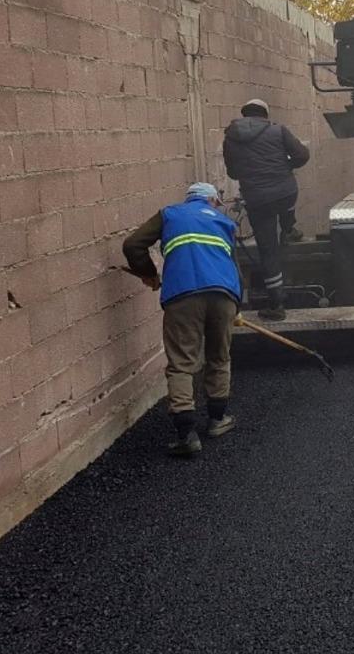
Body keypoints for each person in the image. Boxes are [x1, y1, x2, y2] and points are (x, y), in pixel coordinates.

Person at [123, 182, 241, 457]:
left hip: (182, 296)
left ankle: (186, 435)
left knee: (181, 364)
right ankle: (217, 420)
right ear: (212, 201)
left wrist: (148, 273)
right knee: (219, 357)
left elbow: (132, 244)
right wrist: (237, 306)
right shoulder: (224, 222)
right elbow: (234, 267)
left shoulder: (169, 214)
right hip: (224, 295)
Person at [222, 98, 310, 321]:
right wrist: (284, 166)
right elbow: (302, 156)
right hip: (285, 192)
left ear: (245, 115)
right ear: (265, 114)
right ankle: (289, 228)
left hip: (257, 199)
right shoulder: (278, 130)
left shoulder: (231, 138)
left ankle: (277, 304)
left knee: (268, 250)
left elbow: (232, 172)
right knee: (287, 203)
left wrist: (251, 172)